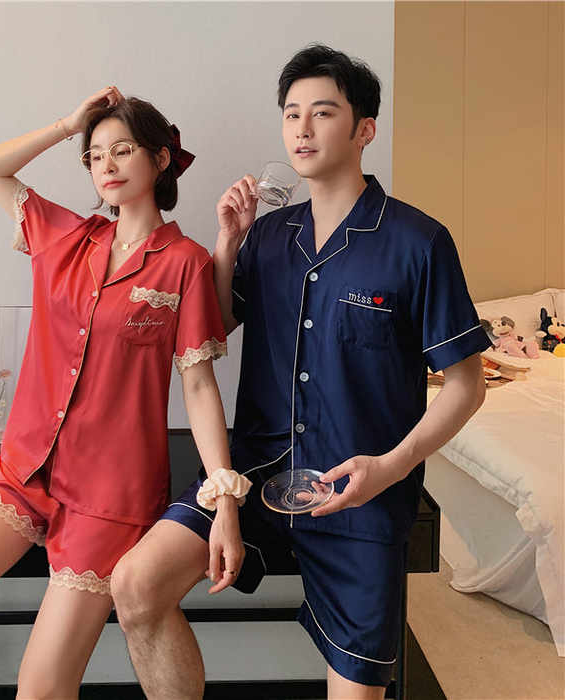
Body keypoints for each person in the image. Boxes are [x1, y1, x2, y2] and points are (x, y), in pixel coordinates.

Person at [110, 45, 492, 699]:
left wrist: (391, 467)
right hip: (252, 474)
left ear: (365, 129)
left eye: (322, 112)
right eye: (291, 115)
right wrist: (228, 241)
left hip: (360, 493)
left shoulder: (419, 242)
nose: (302, 130)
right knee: (134, 585)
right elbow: (214, 329)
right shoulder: (268, 236)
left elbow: (467, 385)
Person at [0, 86, 246, 699]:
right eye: (94, 155)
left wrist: (224, 496)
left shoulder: (186, 262)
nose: (107, 164)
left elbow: (199, 384)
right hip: (25, 469)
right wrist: (69, 124)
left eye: (123, 150)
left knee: (41, 687)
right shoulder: (64, 235)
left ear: (159, 159)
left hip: (108, 495)